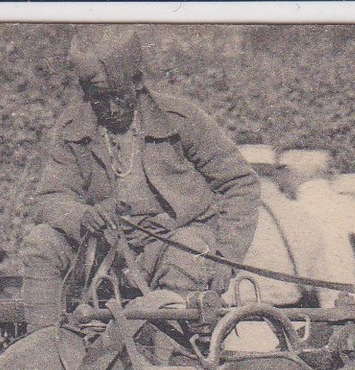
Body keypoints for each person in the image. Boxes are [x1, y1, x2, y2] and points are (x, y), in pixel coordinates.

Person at [18, 28, 261, 328]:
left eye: (116, 96)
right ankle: (43, 355)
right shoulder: (73, 128)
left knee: (190, 250)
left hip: (171, 251)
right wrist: (81, 216)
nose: (108, 109)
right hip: (103, 255)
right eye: (97, 99)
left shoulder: (181, 120)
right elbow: (51, 197)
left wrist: (225, 258)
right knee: (40, 242)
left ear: (137, 82)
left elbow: (240, 183)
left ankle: (171, 362)